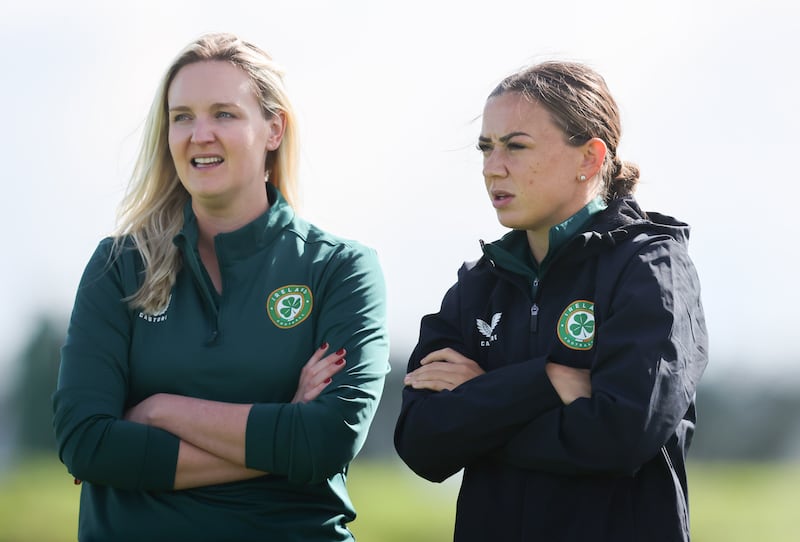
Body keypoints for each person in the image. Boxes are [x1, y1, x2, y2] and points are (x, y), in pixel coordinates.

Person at [52, 32, 389, 542]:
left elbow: (327, 439)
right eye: (182, 115)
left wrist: (163, 411)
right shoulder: (119, 265)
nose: (199, 133)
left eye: (224, 114)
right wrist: (282, 438)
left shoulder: (341, 269)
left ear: (273, 129)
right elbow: (87, 444)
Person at [394, 61, 708, 542]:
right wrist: (548, 381)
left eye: (516, 146)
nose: (492, 167)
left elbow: (624, 434)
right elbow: (421, 442)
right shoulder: (478, 286)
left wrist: (484, 402)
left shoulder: (650, 268)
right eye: (486, 148)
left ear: (589, 158)